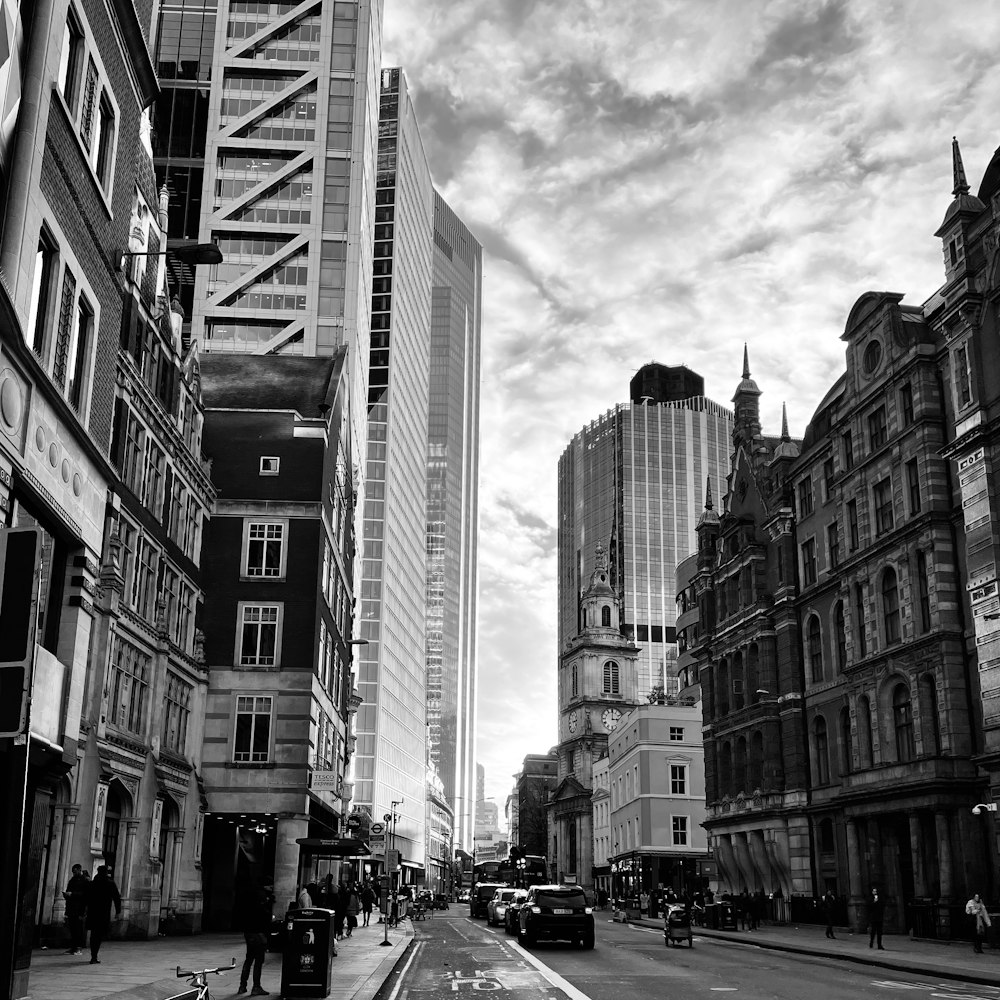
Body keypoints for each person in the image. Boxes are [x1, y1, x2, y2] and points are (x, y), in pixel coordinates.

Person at [238, 885, 274, 997]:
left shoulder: (249, 905)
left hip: (249, 934)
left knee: (248, 960)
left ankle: (242, 986)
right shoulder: (262, 906)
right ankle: (256, 987)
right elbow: (265, 922)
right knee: (258, 962)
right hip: (258, 935)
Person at [86, 866, 121, 964]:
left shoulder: (93, 883)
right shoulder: (110, 883)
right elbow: (116, 898)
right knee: (99, 934)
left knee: (93, 934)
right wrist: (118, 911)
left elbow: (87, 897)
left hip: (93, 912)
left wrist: (84, 910)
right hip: (103, 912)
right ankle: (94, 956)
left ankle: (93, 956)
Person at [63, 864, 90, 955]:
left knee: (78, 928)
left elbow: (86, 895)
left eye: (75, 871)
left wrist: (73, 894)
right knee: (72, 928)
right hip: (71, 907)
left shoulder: (84, 881)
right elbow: (68, 889)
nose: (74, 873)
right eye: (73, 872)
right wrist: (67, 895)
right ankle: (73, 947)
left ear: (79, 870)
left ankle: (79, 947)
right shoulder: (72, 880)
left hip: (79, 908)